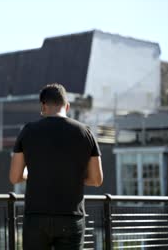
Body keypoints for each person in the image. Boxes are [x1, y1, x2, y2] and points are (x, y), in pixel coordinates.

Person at [9, 83, 103, 250]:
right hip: (71, 216)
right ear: (67, 106)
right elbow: (97, 179)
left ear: (43, 106)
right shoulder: (85, 132)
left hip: (36, 218)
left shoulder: (28, 131)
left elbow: (15, 177)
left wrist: (34, 174)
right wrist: (72, 177)